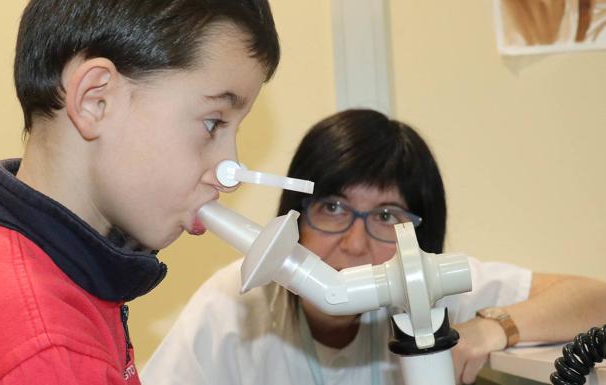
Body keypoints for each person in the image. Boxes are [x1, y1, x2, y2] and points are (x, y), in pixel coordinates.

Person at [141, 109, 606, 385]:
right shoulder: (232, 305)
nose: (356, 242)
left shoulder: (431, 291)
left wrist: (490, 330)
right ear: (294, 216)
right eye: (334, 208)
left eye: (387, 216)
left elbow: (594, 299)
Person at [0, 1, 279, 384]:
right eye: (213, 123)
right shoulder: (53, 354)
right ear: (96, 99)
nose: (230, 174)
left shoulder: (32, 266)